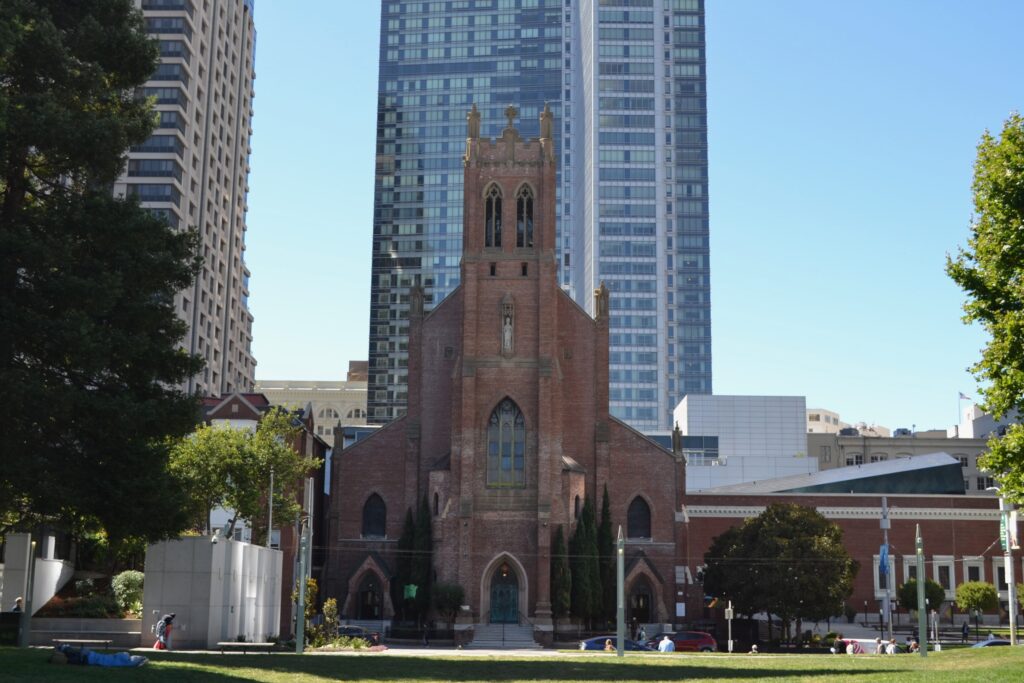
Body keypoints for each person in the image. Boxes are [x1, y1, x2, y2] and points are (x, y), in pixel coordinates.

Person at [52, 644, 147, 668]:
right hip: (89, 657)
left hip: (89, 656)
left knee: (73, 657)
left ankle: (63, 648)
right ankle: (63, 648)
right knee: (73, 657)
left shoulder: (119, 658)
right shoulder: (120, 660)